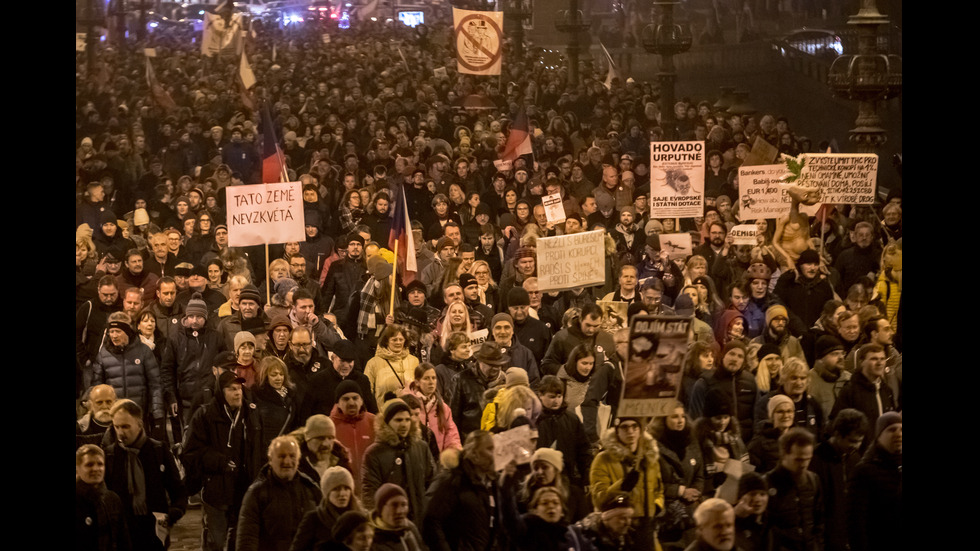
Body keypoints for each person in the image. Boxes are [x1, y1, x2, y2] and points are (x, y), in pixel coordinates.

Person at [182, 371, 263, 551]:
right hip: (216, 488)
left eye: (240, 388)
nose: (238, 393)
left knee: (239, 540)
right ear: (221, 391)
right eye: (232, 389)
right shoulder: (205, 414)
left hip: (243, 487)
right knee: (215, 541)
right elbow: (190, 452)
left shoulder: (251, 414)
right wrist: (219, 461)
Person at [104, 399, 187, 551]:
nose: (121, 432)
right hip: (123, 535)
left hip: (154, 533)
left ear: (140, 424)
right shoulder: (109, 456)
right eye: (117, 427)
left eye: (126, 426)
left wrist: (173, 513)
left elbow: (178, 490)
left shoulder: (158, 450)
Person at [590, 417, 665, 551]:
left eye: (634, 427)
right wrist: (622, 486)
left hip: (646, 528)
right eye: (625, 427)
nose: (630, 431)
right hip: (617, 530)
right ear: (617, 431)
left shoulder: (649, 458)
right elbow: (598, 500)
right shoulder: (603, 459)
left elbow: (659, 490)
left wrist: (656, 506)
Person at [236, 435, 322, 551]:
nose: (287, 461)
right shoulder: (256, 494)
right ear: (270, 460)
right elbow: (247, 539)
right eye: (281, 456)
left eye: (292, 456)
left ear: (298, 459)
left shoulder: (311, 489)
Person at [422, 431, 505, 551]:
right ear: (475, 455)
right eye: (490, 449)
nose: (496, 454)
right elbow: (431, 521)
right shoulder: (452, 481)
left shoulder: (493, 483)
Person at [361, 398, 435, 524]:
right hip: (390, 523)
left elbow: (432, 481)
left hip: (421, 521)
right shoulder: (374, 453)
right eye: (398, 420)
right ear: (386, 423)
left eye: (407, 419)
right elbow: (370, 495)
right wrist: (379, 524)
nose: (404, 424)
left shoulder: (421, 447)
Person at [809, 409, 868, 551]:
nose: (856, 446)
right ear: (837, 434)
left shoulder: (854, 458)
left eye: (859, 442)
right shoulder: (816, 459)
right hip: (826, 538)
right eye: (852, 441)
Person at [649, 401, 705, 547]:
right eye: (674, 417)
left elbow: (699, 472)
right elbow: (653, 483)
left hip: (691, 507)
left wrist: (695, 492)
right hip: (668, 513)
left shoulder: (691, 440)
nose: (680, 421)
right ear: (663, 419)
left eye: (682, 416)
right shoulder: (653, 446)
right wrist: (680, 491)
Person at [847, 412, 901, 551]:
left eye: (901, 429)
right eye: (891, 429)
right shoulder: (864, 471)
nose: (898, 434)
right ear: (879, 436)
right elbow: (856, 522)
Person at [764, 428, 824, 551]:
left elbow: (819, 520)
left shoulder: (813, 480)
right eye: (798, 459)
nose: (804, 464)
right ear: (784, 454)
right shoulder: (768, 483)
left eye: (808, 459)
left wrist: (817, 545)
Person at [830, 344, 897, 440]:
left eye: (882, 359)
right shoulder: (850, 391)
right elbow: (837, 425)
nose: (879, 363)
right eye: (874, 359)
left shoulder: (887, 391)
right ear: (862, 362)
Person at [291, 466, 365, 551]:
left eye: (346, 488)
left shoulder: (362, 518)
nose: (342, 493)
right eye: (336, 489)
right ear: (327, 493)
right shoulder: (313, 519)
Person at [76, 444, 132, 551]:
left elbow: (123, 540)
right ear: (77, 469)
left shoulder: (112, 499)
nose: (96, 469)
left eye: (100, 464)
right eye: (89, 464)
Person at [329, 380, 376, 489]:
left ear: (361, 401)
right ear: (338, 403)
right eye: (346, 399)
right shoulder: (329, 426)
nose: (351, 403)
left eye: (355, 398)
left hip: (370, 488)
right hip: (342, 490)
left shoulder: (375, 422)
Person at [405, 362, 462, 452]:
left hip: (438, 460)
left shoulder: (443, 407)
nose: (431, 382)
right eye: (426, 378)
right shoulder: (406, 406)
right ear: (417, 382)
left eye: (433, 378)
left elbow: (451, 434)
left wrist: (452, 453)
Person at [364, 325, 420, 407]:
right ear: (386, 341)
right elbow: (367, 393)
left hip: (409, 413)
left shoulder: (414, 361)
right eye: (394, 340)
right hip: (384, 413)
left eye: (401, 339)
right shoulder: (373, 363)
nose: (398, 342)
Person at [733, 473, 770, 551]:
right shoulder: (729, 521)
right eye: (752, 494)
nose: (757, 499)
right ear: (740, 498)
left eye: (762, 494)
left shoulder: (770, 522)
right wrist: (735, 516)